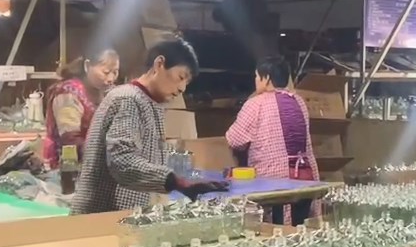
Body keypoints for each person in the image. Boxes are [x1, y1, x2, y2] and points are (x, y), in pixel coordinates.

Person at [71, 38, 228, 215]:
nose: (182, 88)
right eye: (181, 77)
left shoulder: (150, 102)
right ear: (159, 64)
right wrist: (176, 182)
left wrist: (187, 178)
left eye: (187, 82)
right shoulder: (128, 99)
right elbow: (122, 160)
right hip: (105, 216)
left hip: (127, 215)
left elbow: (149, 158)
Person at [225, 57, 319, 225]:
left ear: (266, 78)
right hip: (305, 177)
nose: (255, 80)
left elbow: (235, 140)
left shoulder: (256, 104)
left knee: (277, 228)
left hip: (273, 181)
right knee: (300, 228)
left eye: (257, 76)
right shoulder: (298, 101)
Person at [44, 50, 120, 168]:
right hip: (67, 167)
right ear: (87, 66)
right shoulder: (68, 92)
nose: (111, 78)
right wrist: (106, 156)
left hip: (94, 164)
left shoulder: (106, 92)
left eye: (115, 72)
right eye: (106, 72)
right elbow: (69, 139)